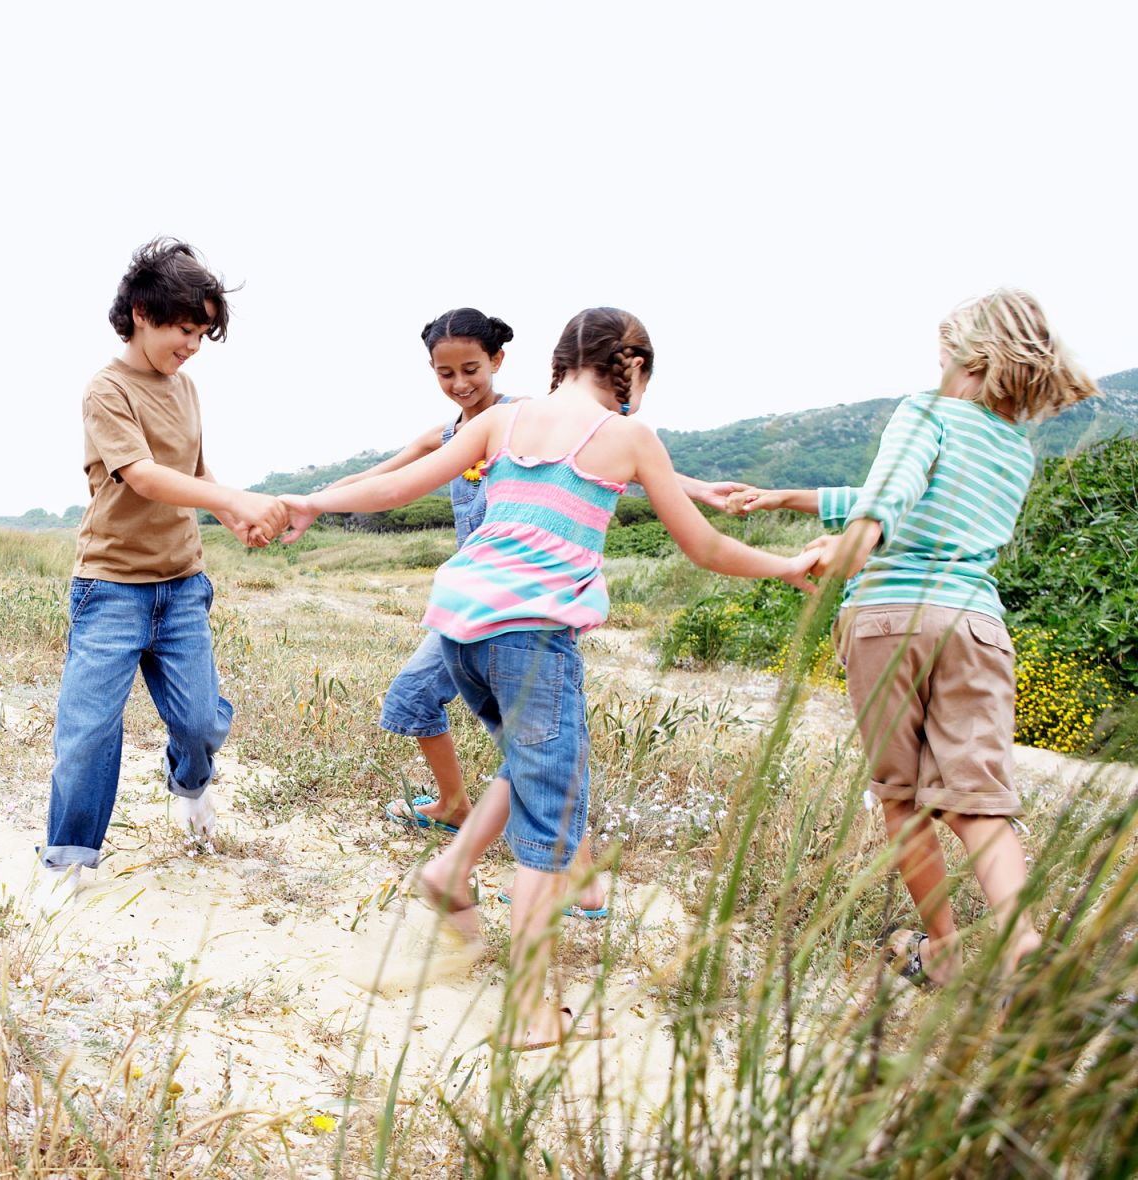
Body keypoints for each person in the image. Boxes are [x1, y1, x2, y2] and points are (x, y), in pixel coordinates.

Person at [279, 307, 814, 1049]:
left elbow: (400, 487)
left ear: (561, 362)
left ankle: (451, 870)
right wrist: (787, 565)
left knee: (531, 767)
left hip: (461, 629)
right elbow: (706, 548)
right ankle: (533, 1012)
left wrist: (311, 500)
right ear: (633, 369)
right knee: (551, 821)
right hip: (531, 637)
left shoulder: (507, 420)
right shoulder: (628, 435)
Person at [335, 309, 749, 919]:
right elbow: (388, 479)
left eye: (470, 369)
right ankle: (483, 833)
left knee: (538, 745)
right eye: (444, 373)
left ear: (498, 361)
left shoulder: (527, 418)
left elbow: (617, 457)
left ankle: (557, 876)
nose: (458, 383)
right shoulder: (452, 434)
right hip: (477, 603)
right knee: (526, 741)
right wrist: (310, 499)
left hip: (520, 606)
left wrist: (699, 488)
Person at [737, 288, 1099, 986]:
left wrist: (850, 548)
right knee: (979, 803)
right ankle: (1023, 947)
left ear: (969, 355)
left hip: (891, 615)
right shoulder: (1013, 451)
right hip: (975, 625)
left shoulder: (924, 411)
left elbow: (891, 494)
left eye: (941, 351)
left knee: (901, 800)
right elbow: (912, 493)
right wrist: (783, 497)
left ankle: (944, 948)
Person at [38, 238, 289, 890]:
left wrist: (233, 516)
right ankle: (70, 862)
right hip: (112, 587)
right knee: (89, 732)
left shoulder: (187, 389)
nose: (193, 344)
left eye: (203, 333)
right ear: (143, 312)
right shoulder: (107, 390)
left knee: (201, 722)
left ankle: (190, 786)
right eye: (185, 328)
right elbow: (144, 477)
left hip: (181, 587)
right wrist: (231, 498)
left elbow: (191, 473)